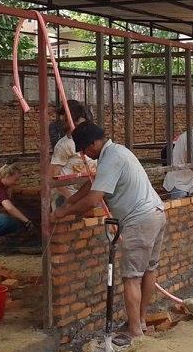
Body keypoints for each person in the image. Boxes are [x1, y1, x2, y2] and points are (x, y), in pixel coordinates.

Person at [52, 122, 165, 338]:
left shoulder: (111, 157)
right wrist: (69, 202)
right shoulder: (116, 152)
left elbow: (94, 199)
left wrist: (62, 213)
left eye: (85, 149)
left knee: (131, 277)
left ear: (95, 142)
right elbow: (93, 184)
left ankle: (134, 332)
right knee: (149, 269)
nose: (85, 154)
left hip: (139, 219)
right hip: (156, 213)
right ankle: (140, 322)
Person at [50, 100, 96, 209]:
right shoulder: (64, 145)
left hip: (88, 194)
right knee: (65, 222)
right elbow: (52, 177)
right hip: (68, 196)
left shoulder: (93, 142)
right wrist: (71, 199)